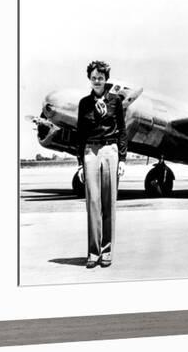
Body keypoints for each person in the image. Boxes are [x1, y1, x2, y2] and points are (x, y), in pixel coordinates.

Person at [76, 61, 127, 268]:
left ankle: (106, 252)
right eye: (94, 77)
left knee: (109, 204)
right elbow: (79, 134)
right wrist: (80, 163)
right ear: (90, 79)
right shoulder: (84, 104)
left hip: (110, 151)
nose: (97, 81)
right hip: (90, 151)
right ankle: (93, 252)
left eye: (101, 77)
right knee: (93, 204)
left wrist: (122, 159)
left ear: (106, 79)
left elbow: (122, 131)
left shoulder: (116, 102)